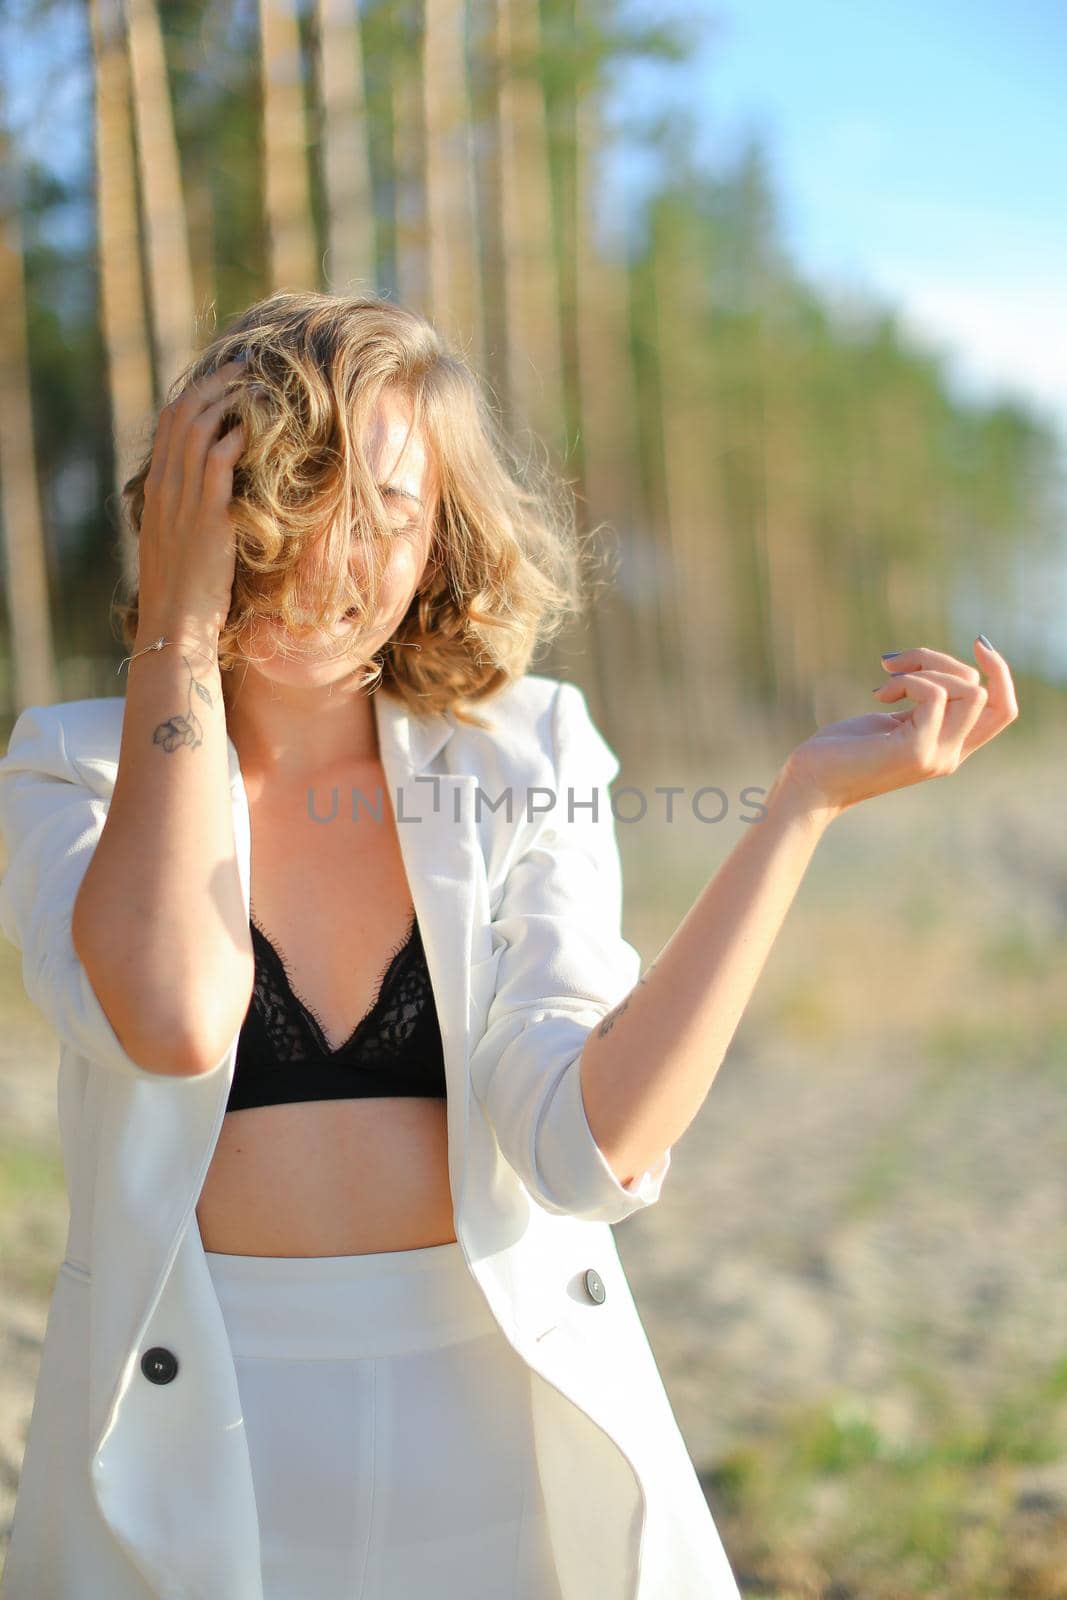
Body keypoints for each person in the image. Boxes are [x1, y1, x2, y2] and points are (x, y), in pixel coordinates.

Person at [0, 290, 1018, 1600]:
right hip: (195, 1456)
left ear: (444, 538)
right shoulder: (72, 772)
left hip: (500, 1455)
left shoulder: (523, 753)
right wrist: (178, 633)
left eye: (385, 510)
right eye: (287, 497)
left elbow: (588, 1149)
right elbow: (178, 1015)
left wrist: (797, 809)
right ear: (203, 508)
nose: (329, 562)